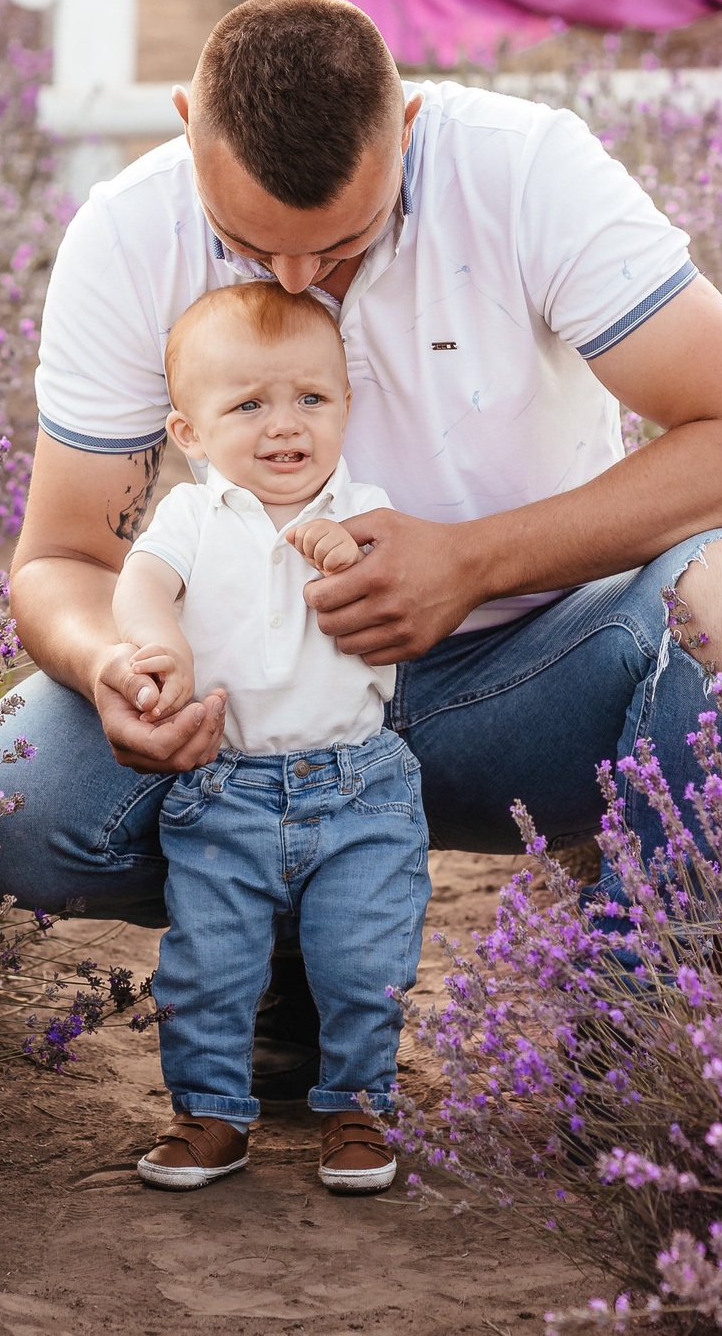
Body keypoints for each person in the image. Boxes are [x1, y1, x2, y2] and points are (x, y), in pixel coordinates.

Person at [0, 0, 722, 1091]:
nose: (296, 282)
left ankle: (638, 1035)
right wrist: (110, 662)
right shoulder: (125, 229)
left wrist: (469, 561)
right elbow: (61, 560)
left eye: (340, 240)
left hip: (524, 675)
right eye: (247, 244)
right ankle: (286, 922)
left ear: (410, 125)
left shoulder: (526, 170)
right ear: (187, 123)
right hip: (248, 718)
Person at [114, 280, 425, 1194]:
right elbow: (140, 584)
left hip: (359, 784)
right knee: (209, 963)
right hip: (228, 783)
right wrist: (158, 639)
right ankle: (210, 1113)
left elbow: (390, 571)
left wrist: (346, 552)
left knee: (364, 958)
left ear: (346, 407)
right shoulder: (191, 515)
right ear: (190, 434)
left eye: (310, 399)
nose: (284, 424)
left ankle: (356, 1106)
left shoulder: (363, 504)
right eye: (248, 404)